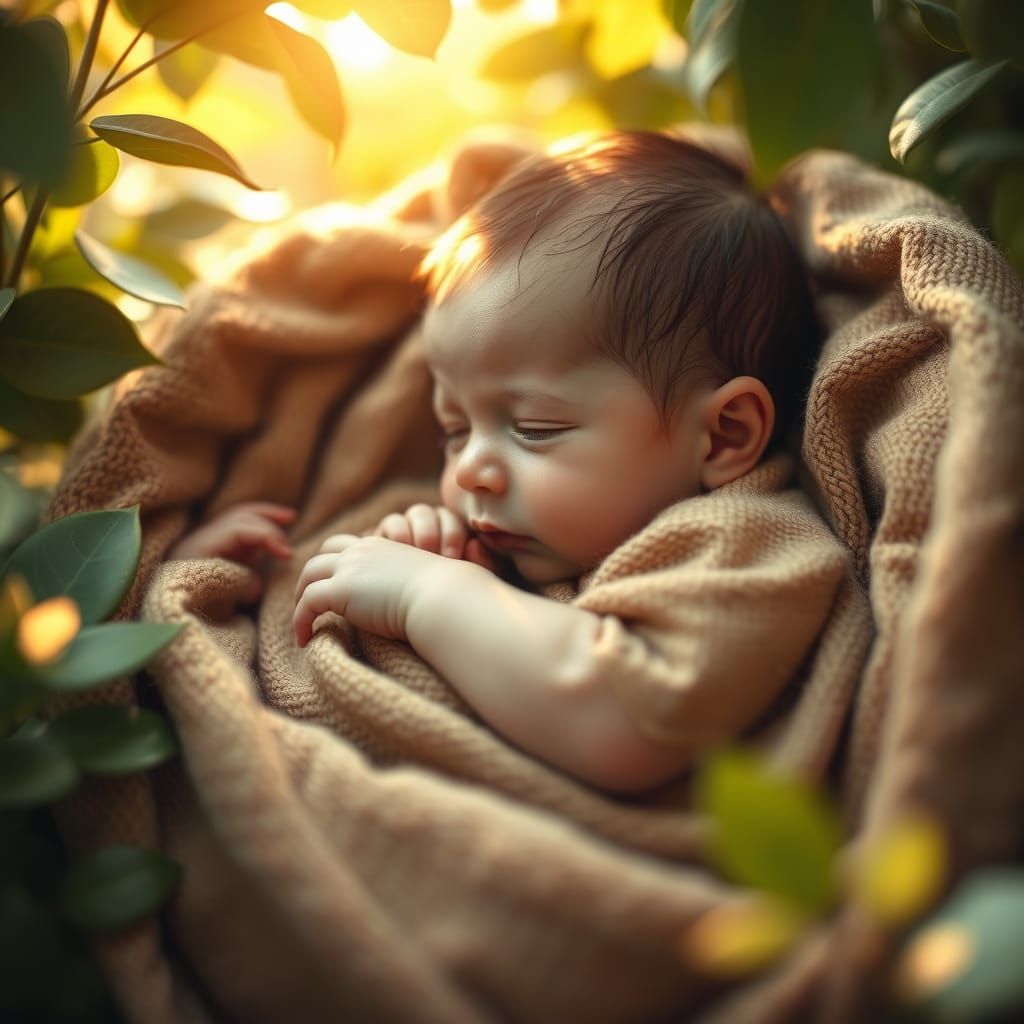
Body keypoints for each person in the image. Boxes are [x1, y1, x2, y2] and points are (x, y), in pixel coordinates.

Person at [171, 130, 829, 793]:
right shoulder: (493, 536)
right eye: (453, 428)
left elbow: (632, 720)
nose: (470, 472)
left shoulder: (754, 547)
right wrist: (244, 573)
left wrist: (432, 595)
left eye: (536, 428)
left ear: (721, 437)